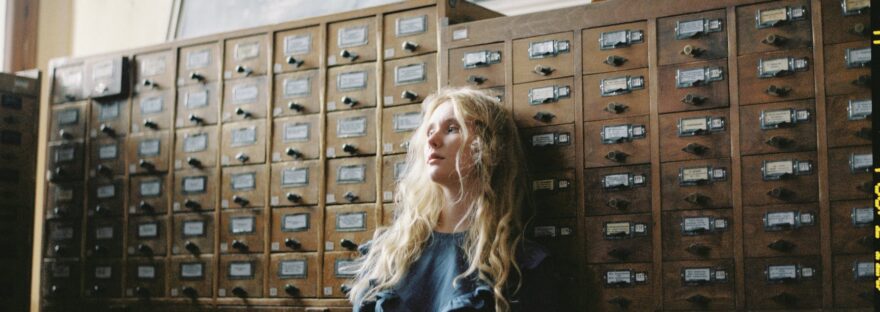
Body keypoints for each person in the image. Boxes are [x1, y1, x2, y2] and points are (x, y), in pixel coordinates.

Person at [347, 87, 560, 312]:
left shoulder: (521, 263)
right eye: (429, 132)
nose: (433, 141)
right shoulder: (392, 250)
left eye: (451, 129)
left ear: (489, 147)